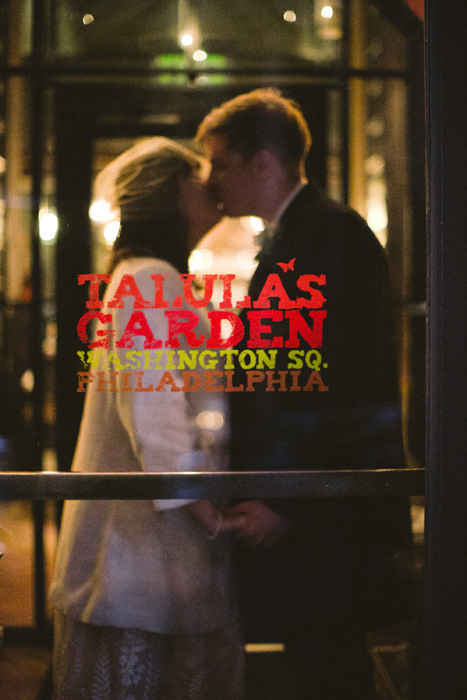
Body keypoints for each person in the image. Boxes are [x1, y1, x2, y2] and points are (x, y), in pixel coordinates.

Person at [197, 89, 413, 699]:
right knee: (320, 662)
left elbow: (339, 386)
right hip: (315, 509)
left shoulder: (328, 235)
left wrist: (286, 500)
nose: (212, 182)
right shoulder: (304, 231)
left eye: (220, 163)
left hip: (323, 518)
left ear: (263, 162)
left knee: (330, 668)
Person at [49, 137, 245, 700]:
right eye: (201, 180)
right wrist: (207, 508)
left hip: (156, 546)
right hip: (143, 557)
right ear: (177, 195)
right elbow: (153, 410)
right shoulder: (150, 279)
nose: (213, 190)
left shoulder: (148, 276)